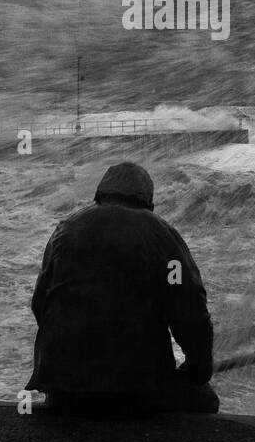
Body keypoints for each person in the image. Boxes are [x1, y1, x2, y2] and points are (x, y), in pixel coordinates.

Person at [26, 161, 219, 417]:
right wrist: (197, 370)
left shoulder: (65, 230)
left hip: (62, 385)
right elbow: (189, 309)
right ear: (147, 200)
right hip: (135, 388)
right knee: (205, 400)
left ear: (100, 195)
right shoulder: (160, 235)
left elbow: (41, 302)